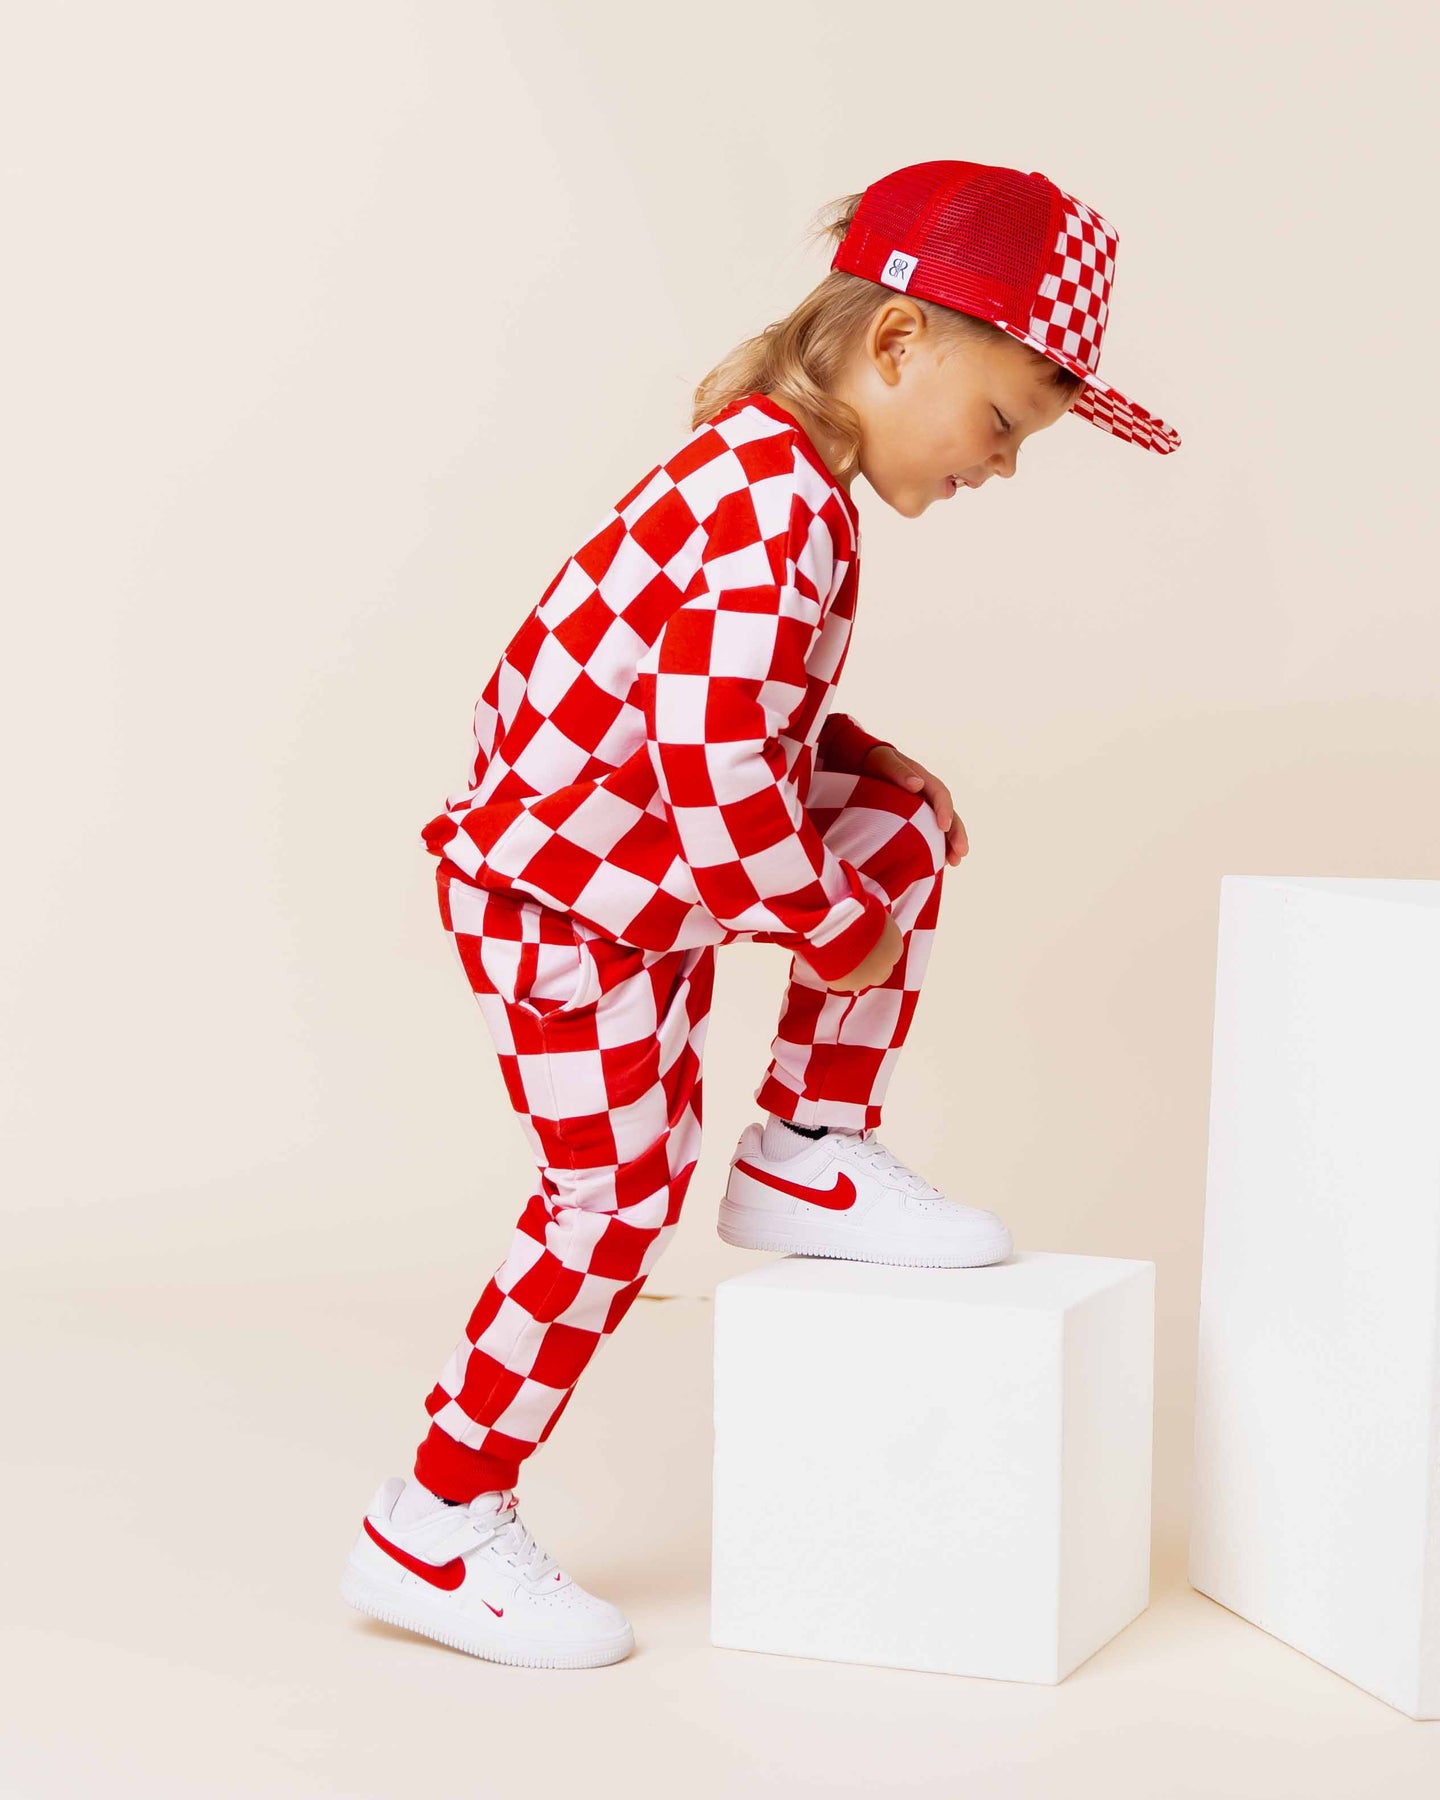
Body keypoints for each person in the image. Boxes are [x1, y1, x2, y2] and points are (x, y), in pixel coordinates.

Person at [340, 158, 1182, 1670]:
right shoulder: (772, 502)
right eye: (1004, 423)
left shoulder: (780, 478)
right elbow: (714, 759)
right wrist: (829, 931)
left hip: (636, 872)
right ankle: (437, 1518)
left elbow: (728, 704)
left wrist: (855, 759)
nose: (1003, 467)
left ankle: (806, 1145)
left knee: (899, 829)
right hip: (565, 891)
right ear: (900, 342)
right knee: (607, 1202)